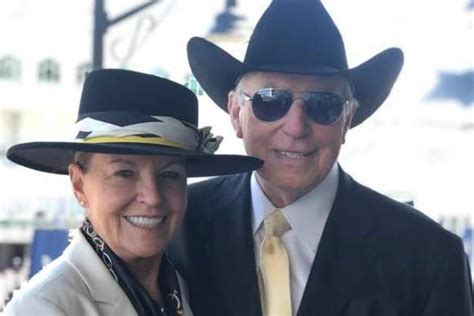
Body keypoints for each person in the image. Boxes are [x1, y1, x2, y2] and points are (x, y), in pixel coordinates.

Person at [169, 1, 474, 315]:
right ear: (235, 113)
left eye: (323, 105)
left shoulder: (428, 256)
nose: (296, 127)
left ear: (347, 118)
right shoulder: (176, 224)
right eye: (271, 101)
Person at [3, 69, 262, 316]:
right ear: (79, 184)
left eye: (169, 174)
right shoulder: (43, 308)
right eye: (124, 174)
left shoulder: (182, 286)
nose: (152, 197)